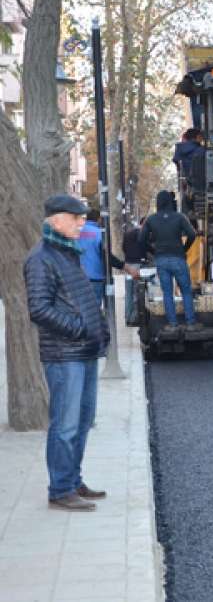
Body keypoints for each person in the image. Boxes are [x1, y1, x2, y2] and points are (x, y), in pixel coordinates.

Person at [24, 194, 110, 512]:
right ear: (56, 220)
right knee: (66, 424)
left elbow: (81, 299)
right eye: (76, 218)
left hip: (83, 350)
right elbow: (39, 309)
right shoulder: (41, 258)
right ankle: (60, 489)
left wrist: (98, 329)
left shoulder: (67, 252)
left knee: (83, 421)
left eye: (82, 218)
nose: (81, 223)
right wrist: (79, 328)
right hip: (64, 355)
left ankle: (72, 480)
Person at [140, 190, 200, 332]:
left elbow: (141, 239)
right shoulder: (179, 217)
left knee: (167, 293)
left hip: (161, 259)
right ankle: (191, 323)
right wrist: (184, 249)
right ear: (170, 202)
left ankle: (173, 324)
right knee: (186, 291)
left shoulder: (151, 219)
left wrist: (153, 251)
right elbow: (192, 234)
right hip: (178, 257)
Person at [77, 209, 136, 308]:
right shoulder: (99, 234)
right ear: (99, 219)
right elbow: (107, 256)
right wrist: (125, 266)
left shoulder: (77, 232)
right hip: (95, 277)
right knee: (94, 309)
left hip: (79, 278)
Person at [122, 217, 146, 324]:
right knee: (137, 292)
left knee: (128, 292)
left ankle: (128, 317)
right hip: (137, 264)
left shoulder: (128, 233)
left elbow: (123, 247)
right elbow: (144, 247)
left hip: (127, 264)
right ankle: (135, 318)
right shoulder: (142, 233)